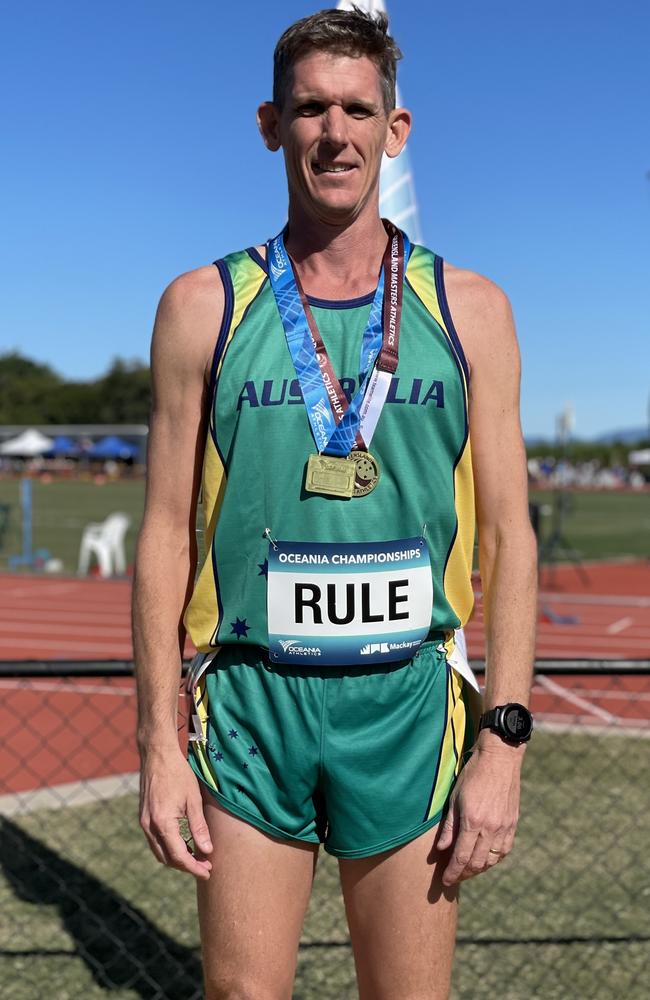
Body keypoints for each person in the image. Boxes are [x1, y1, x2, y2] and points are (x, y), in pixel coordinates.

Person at [133, 7, 537, 999]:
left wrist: (503, 746)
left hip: (404, 707)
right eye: (310, 108)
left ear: (394, 130)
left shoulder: (470, 309)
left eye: (357, 109)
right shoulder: (202, 305)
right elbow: (156, 539)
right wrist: (155, 742)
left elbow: (511, 539)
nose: (334, 131)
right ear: (270, 123)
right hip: (252, 703)